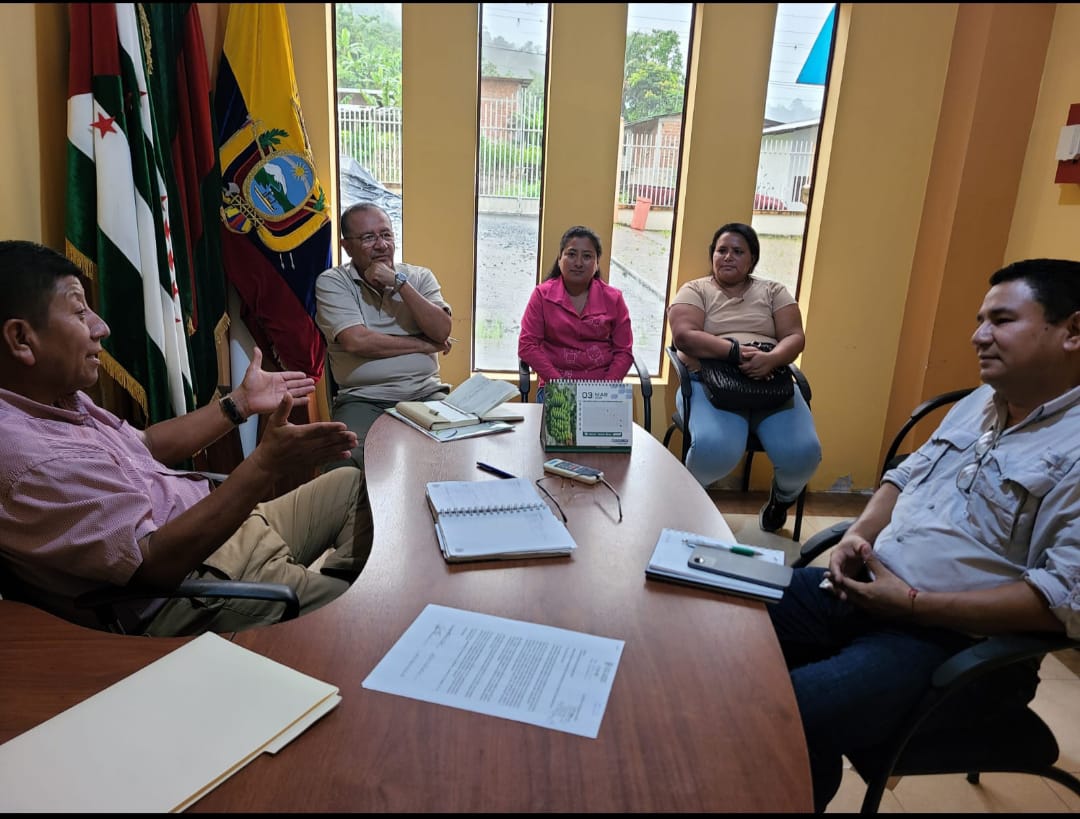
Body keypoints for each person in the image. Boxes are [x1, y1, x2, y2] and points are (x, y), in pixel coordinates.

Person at [768, 258, 1080, 812]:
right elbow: (906, 473)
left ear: (1072, 331)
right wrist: (859, 532)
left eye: (1001, 320)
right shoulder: (980, 401)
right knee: (720, 613)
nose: (978, 336)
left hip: (955, 645)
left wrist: (913, 604)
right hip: (864, 594)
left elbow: (1062, 601)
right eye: (980, 320)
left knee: (782, 714)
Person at [0, 240, 373, 637]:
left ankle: (321, 611)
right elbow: (154, 564)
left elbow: (144, 444)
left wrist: (240, 403)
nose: (100, 327)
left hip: (225, 531)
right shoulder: (31, 457)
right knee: (373, 617)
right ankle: (324, 617)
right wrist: (265, 465)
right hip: (196, 582)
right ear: (22, 338)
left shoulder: (54, 397)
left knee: (352, 486)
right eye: (79, 313)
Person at [667, 221, 821, 532]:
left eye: (738, 252)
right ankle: (690, 504)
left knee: (803, 453)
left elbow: (794, 336)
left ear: (752, 259)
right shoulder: (696, 290)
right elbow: (684, 336)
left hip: (767, 380)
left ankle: (781, 500)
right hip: (710, 383)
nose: (728, 257)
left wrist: (772, 359)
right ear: (712, 255)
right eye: (721, 250)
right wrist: (734, 352)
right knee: (714, 449)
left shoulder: (773, 291)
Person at [315, 203, 453, 469]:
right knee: (343, 463)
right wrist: (423, 344)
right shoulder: (333, 282)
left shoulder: (419, 277)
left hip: (426, 394)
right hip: (363, 399)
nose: (381, 245)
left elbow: (442, 331)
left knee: (460, 453)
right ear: (346, 247)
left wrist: (400, 283)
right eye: (368, 237)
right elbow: (357, 341)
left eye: (386, 234)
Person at [518, 225, 633, 400]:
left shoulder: (614, 299)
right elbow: (527, 345)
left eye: (587, 256)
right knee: (563, 417)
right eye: (571, 254)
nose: (578, 263)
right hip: (556, 388)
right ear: (559, 259)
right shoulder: (542, 295)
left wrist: (604, 391)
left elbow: (624, 351)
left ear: (597, 263)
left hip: (602, 389)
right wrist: (560, 386)